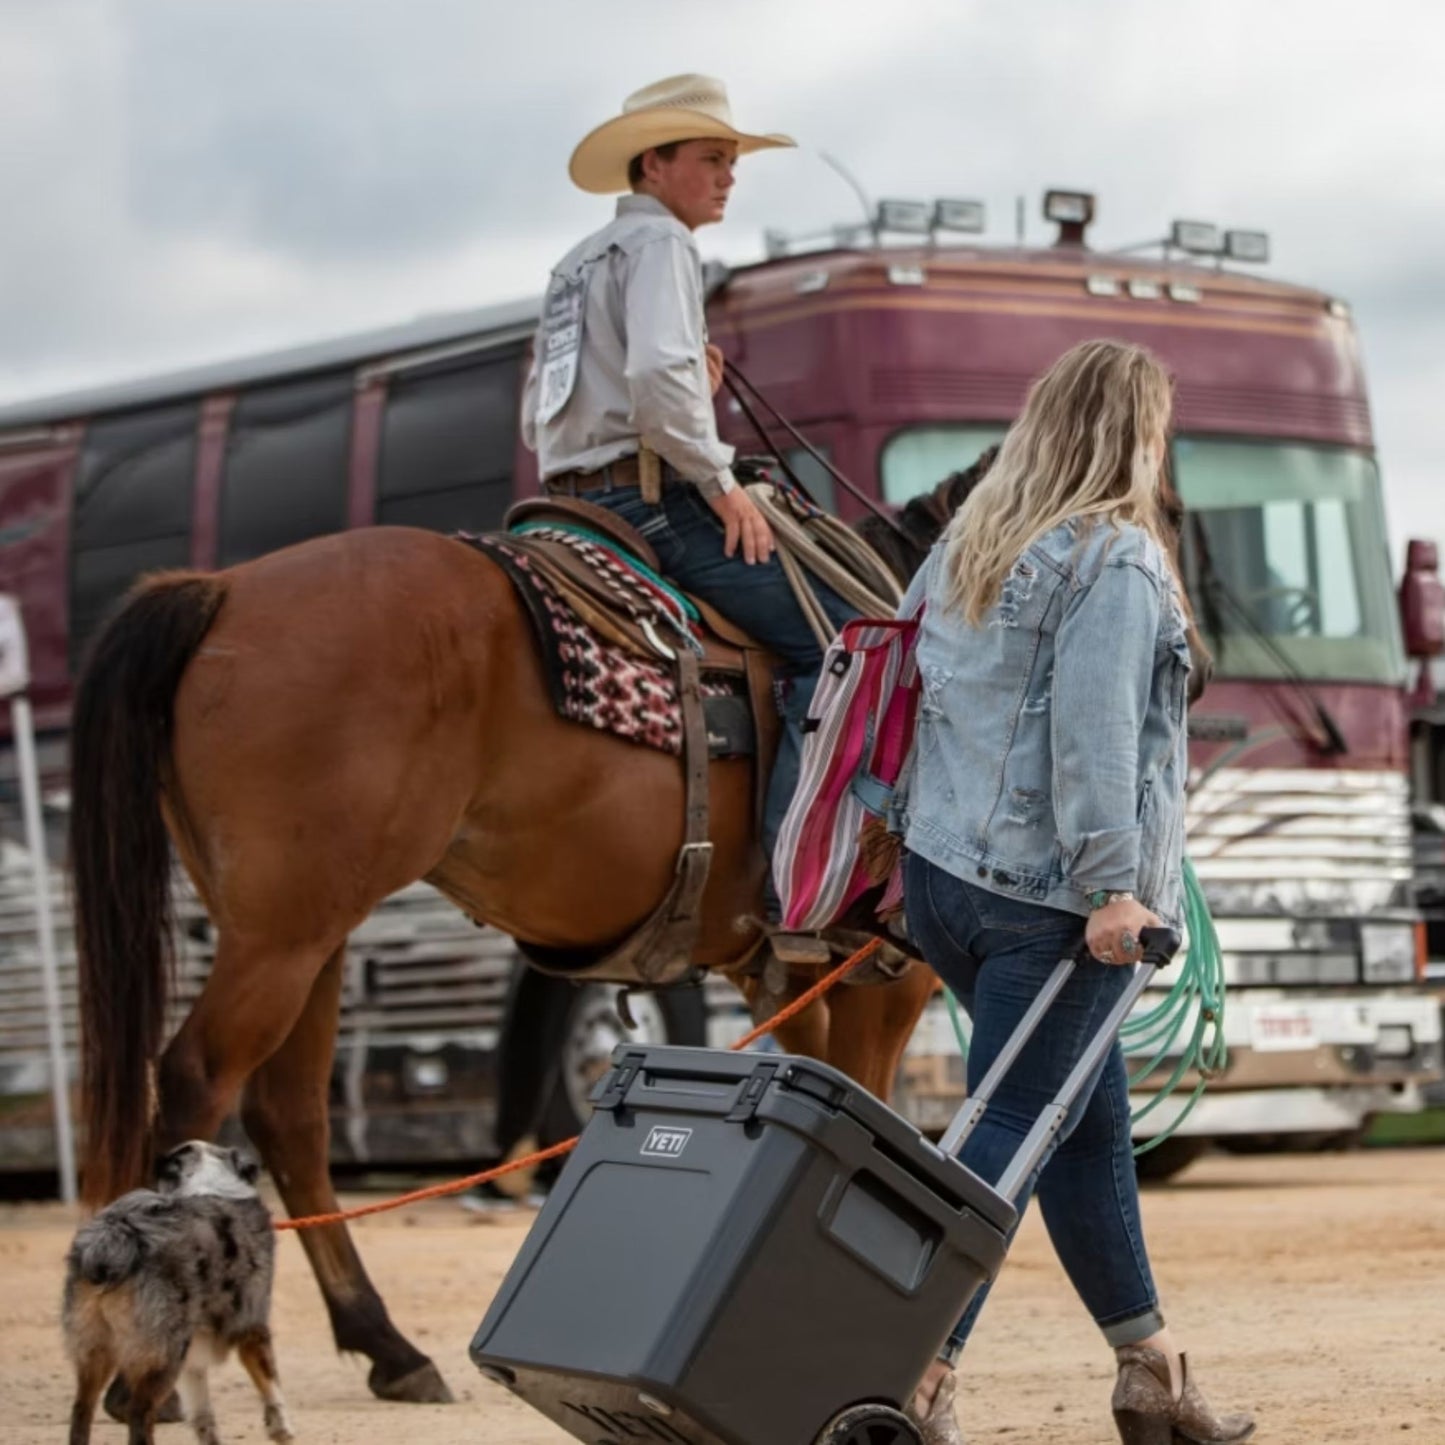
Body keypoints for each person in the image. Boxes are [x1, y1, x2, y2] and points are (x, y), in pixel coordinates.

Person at [894, 340, 1255, 1445]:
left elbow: (910, 687)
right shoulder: (1118, 561)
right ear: (1139, 435)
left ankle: (1147, 1374)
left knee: (1084, 1124)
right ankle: (913, 1372)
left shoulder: (966, 543)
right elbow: (1094, 739)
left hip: (944, 881)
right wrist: (1109, 889)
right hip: (1054, 905)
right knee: (1006, 1123)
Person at [519, 74, 857, 896]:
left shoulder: (575, 263)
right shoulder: (663, 245)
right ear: (654, 164)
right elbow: (657, 377)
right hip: (651, 503)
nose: (728, 177)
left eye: (732, 161)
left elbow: (555, 408)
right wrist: (719, 483)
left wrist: (679, 402)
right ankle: (791, 879)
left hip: (567, 507)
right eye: (712, 158)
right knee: (846, 643)